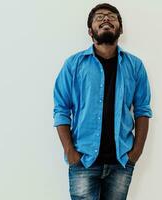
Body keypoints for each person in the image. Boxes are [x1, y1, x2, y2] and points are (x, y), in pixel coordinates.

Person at [53, 3, 152, 200]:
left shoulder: (135, 66)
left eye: (112, 16)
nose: (106, 19)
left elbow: (142, 110)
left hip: (121, 161)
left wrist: (136, 152)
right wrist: (70, 152)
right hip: (83, 160)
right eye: (99, 17)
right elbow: (61, 109)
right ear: (90, 31)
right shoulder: (73, 65)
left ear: (120, 29)